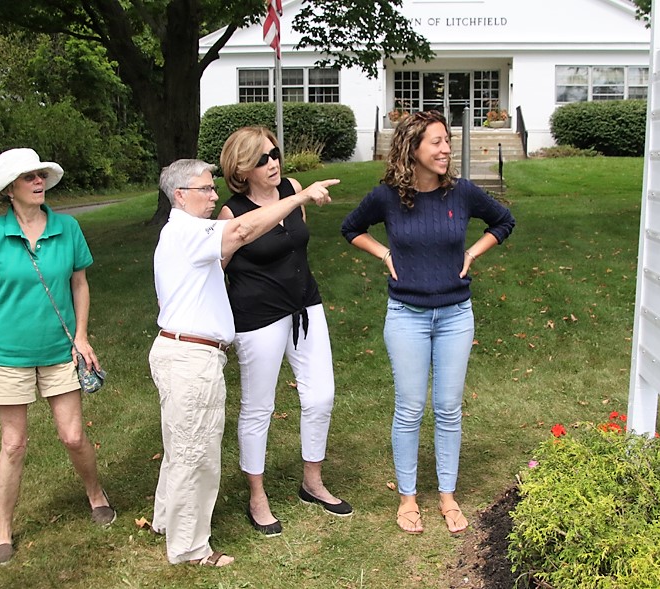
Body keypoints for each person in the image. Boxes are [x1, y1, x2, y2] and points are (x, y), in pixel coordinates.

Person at [150, 159, 337, 566]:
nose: (214, 195)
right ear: (180, 196)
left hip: (184, 350)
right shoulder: (187, 230)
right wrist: (301, 196)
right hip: (190, 355)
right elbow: (241, 229)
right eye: (205, 189)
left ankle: (166, 520)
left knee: (180, 448)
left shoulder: (182, 233)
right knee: (195, 455)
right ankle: (190, 548)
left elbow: (237, 242)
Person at [340, 111, 515, 535]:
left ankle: (447, 496)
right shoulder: (386, 198)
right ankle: (408, 498)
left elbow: (504, 221)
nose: (445, 149)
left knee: (449, 408)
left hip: (456, 315)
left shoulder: (463, 193)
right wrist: (384, 254)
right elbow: (351, 228)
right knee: (410, 408)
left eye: (447, 142)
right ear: (412, 148)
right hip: (406, 316)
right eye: (435, 142)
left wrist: (473, 253)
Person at [0, 148, 113, 566]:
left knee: (73, 436)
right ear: (9, 189)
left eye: (40, 175)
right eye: (28, 177)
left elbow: (79, 285)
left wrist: (81, 336)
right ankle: (3, 528)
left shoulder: (67, 227)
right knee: (13, 444)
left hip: (59, 351)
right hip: (6, 355)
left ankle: (96, 493)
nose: (38, 181)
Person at [217, 127, 351, 537]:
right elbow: (221, 263)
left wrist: (297, 197)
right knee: (259, 407)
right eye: (261, 159)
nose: (273, 163)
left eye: (274, 154)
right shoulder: (230, 212)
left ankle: (312, 482)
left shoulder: (292, 188)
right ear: (241, 169)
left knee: (321, 394)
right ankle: (257, 496)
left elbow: (295, 242)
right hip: (258, 317)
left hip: (305, 305)